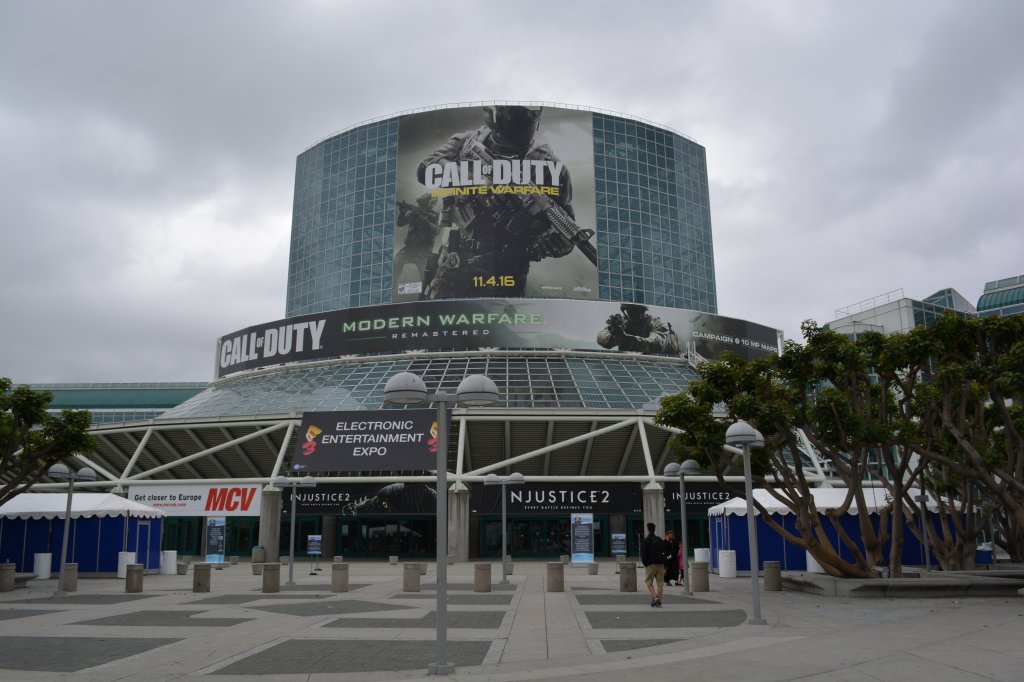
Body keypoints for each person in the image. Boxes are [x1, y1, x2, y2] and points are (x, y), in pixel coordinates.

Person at [416, 105, 582, 299]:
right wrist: (477, 178)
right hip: (455, 265)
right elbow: (425, 169)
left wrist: (554, 242)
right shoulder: (468, 141)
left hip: (508, 272)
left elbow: (567, 232)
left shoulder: (550, 165)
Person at [597, 303, 681, 355]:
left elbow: (657, 345)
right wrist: (614, 335)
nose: (633, 313)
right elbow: (601, 338)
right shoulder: (623, 322)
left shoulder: (657, 323)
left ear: (644, 311)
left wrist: (625, 338)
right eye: (630, 310)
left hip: (665, 359)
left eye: (636, 310)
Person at [394, 193, 440, 282]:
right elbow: (400, 223)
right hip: (410, 249)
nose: (420, 206)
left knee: (427, 279)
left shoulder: (436, 215)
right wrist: (402, 212)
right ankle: (392, 286)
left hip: (425, 253)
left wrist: (422, 218)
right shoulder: (413, 213)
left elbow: (436, 231)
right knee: (396, 263)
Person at [640, 522, 666, 607]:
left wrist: (646, 564)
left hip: (650, 564)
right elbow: (664, 551)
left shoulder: (646, 540)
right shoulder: (659, 539)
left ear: (648, 529)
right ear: (654, 529)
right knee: (660, 583)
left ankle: (655, 598)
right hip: (660, 564)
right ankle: (660, 600)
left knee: (649, 582)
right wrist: (664, 563)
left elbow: (644, 554)